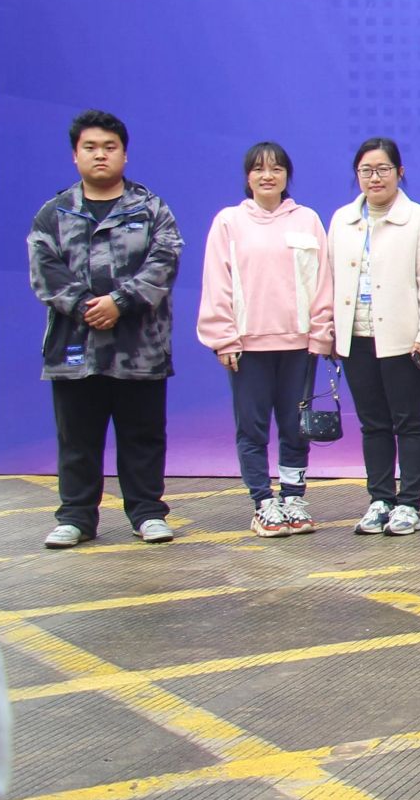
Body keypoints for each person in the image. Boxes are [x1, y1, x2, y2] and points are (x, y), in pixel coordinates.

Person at [29, 110, 183, 548]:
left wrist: (120, 303)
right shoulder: (54, 213)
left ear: (124, 155)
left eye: (110, 147)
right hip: (74, 349)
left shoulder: (151, 209)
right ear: (75, 155)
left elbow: (164, 262)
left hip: (140, 348)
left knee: (143, 436)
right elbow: (44, 270)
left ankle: (148, 513)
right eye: (90, 147)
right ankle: (76, 518)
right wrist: (86, 307)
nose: (100, 155)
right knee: (77, 438)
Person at [196, 141, 335, 537]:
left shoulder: (307, 220)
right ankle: (263, 502)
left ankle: (293, 498)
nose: (267, 175)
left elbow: (322, 281)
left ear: (288, 175)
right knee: (252, 429)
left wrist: (321, 334)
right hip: (248, 349)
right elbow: (217, 282)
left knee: (295, 427)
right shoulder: (229, 222)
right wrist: (224, 339)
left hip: (299, 346)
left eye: (276, 168)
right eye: (259, 168)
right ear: (248, 177)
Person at [331, 138, 420, 536]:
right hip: (356, 337)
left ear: (400, 172)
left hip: (403, 338)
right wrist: (331, 332)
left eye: (382, 169)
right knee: (372, 424)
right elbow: (330, 279)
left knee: (408, 422)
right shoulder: (342, 220)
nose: (374, 177)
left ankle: (410, 504)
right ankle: (380, 499)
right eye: (366, 170)